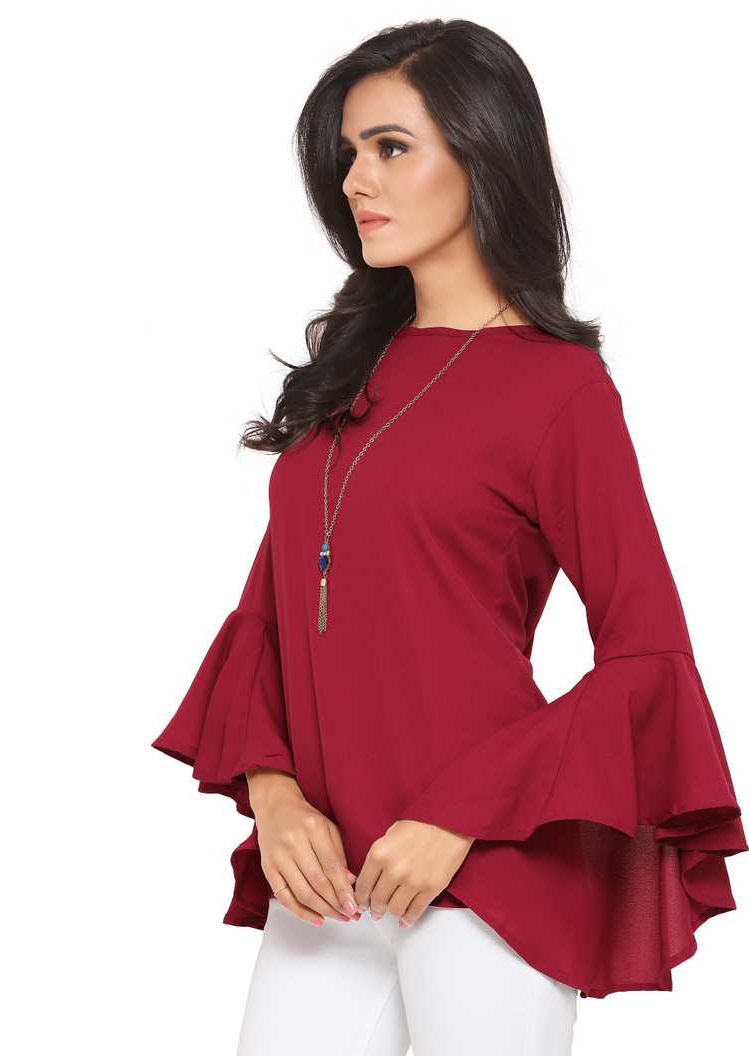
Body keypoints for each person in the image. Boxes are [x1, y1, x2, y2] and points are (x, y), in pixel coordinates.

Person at [151, 18, 746, 1055]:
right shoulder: (348, 372)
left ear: (483, 152)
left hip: (482, 870)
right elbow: (270, 621)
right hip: (326, 880)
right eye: (349, 152)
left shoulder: (559, 390)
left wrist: (460, 816)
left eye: (391, 147)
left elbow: (647, 655)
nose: (355, 180)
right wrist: (277, 800)